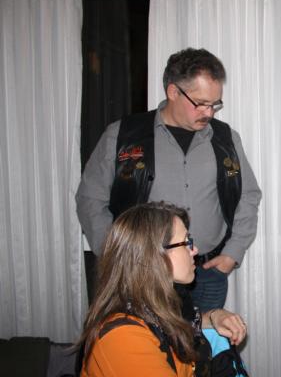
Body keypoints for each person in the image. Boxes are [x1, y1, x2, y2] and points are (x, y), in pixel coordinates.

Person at [76, 47, 261, 312]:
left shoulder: (225, 138)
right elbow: (90, 200)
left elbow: (248, 196)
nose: (209, 113)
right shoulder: (123, 136)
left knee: (203, 338)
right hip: (142, 278)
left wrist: (233, 252)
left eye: (214, 104)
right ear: (173, 92)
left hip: (207, 275)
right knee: (143, 340)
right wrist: (118, 257)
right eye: (201, 103)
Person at [77, 202, 262, 377]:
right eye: (186, 242)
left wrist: (214, 316)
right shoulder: (121, 336)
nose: (195, 250)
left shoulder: (159, 302)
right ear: (153, 255)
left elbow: (181, 323)